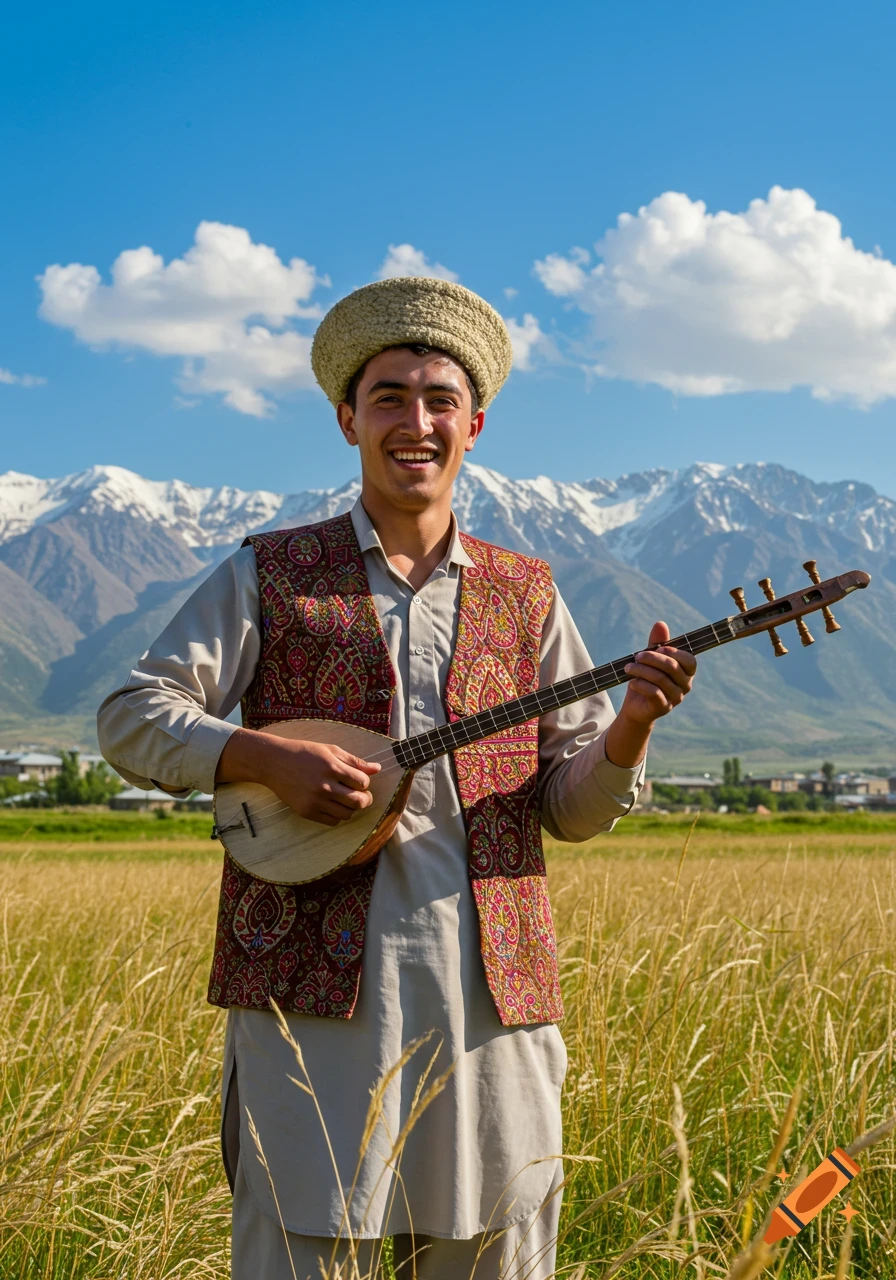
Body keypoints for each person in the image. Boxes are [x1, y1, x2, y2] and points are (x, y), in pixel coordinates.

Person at [97, 277, 697, 1280]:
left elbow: (568, 809)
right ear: (346, 418)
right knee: (302, 1254)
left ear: (474, 424)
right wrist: (262, 755)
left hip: (490, 1009)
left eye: (436, 399)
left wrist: (630, 727)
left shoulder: (527, 593)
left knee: (491, 1253)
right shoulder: (269, 570)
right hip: (310, 1014)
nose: (413, 421)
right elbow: (130, 713)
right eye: (388, 397)